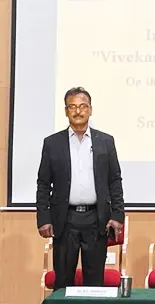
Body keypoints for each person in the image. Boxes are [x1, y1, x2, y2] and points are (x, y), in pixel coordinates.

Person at [36, 87, 125, 290]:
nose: (78, 111)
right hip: (64, 219)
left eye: (83, 106)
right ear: (66, 111)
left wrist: (117, 215)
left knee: (94, 283)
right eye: (72, 107)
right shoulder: (52, 143)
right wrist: (43, 218)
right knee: (63, 281)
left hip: (96, 220)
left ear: (90, 110)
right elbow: (43, 183)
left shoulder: (106, 141)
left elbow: (114, 180)